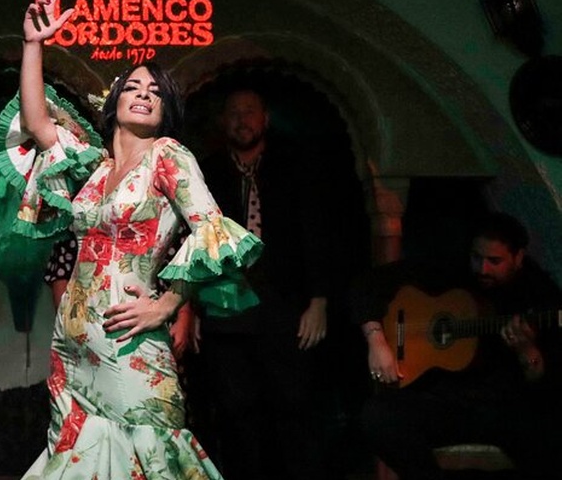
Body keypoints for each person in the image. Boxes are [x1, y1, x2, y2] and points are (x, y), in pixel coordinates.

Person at [0, 0, 263, 479]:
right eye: (133, 87)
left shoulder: (169, 156)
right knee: (79, 462)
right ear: (113, 101)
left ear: (165, 110)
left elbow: (211, 232)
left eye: (155, 91)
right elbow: (36, 123)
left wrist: (167, 303)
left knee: (154, 454)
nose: (143, 94)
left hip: (128, 334)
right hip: (74, 337)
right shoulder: (93, 166)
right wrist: (34, 44)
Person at [352, 211, 562, 480]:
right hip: (448, 402)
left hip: (504, 409)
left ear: (518, 257)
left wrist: (528, 352)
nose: (482, 269)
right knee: (377, 416)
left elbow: (545, 383)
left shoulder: (542, 297)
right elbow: (367, 283)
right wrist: (376, 338)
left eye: (494, 261)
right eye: (477, 257)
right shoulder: (456, 271)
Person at [195, 86, 334, 479]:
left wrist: (319, 301)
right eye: (234, 112)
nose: (242, 119)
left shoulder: (295, 167)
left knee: (293, 405)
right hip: (226, 306)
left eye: (250, 111)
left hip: (284, 304)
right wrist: (193, 307)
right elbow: (194, 241)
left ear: (265, 119)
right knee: (235, 410)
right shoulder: (208, 172)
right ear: (223, 121)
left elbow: (318, 235)